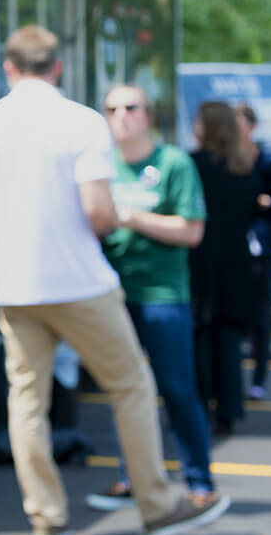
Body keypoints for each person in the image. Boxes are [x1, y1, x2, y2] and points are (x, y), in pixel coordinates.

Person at [0, 26, 228, 535]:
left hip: (13, 283)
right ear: (57, 67)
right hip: (79, 280)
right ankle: (155, 505)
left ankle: (46, 518)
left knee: (27, 401)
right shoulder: (81, 122)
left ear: (9, 68)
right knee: (131, 384)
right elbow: (99, 213)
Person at [86, 84, 215, 511]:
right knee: (125, 389)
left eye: (131, 108)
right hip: (112, 293)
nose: (121, 115)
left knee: (177, 388)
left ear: (149, 116)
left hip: (162, 294)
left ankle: (199, 481)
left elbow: (192, 231)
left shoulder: (173, 163)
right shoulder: (99, 164)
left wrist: (136, 219)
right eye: (112, 108)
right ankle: (131, 478)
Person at [188, 101, 260, 436]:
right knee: (228, 339)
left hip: (200, 260)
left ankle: (201, 406)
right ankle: (229, 410)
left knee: (201, 335)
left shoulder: (193, 166)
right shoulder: (244, 166)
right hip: (235, 262)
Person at [235, 103, 271, 399]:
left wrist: (268, 202)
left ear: (251, 127)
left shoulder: (266, 159)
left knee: (261, 315)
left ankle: (259, 377)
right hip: (236, 247)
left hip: (264, 246)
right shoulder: (225, 159)